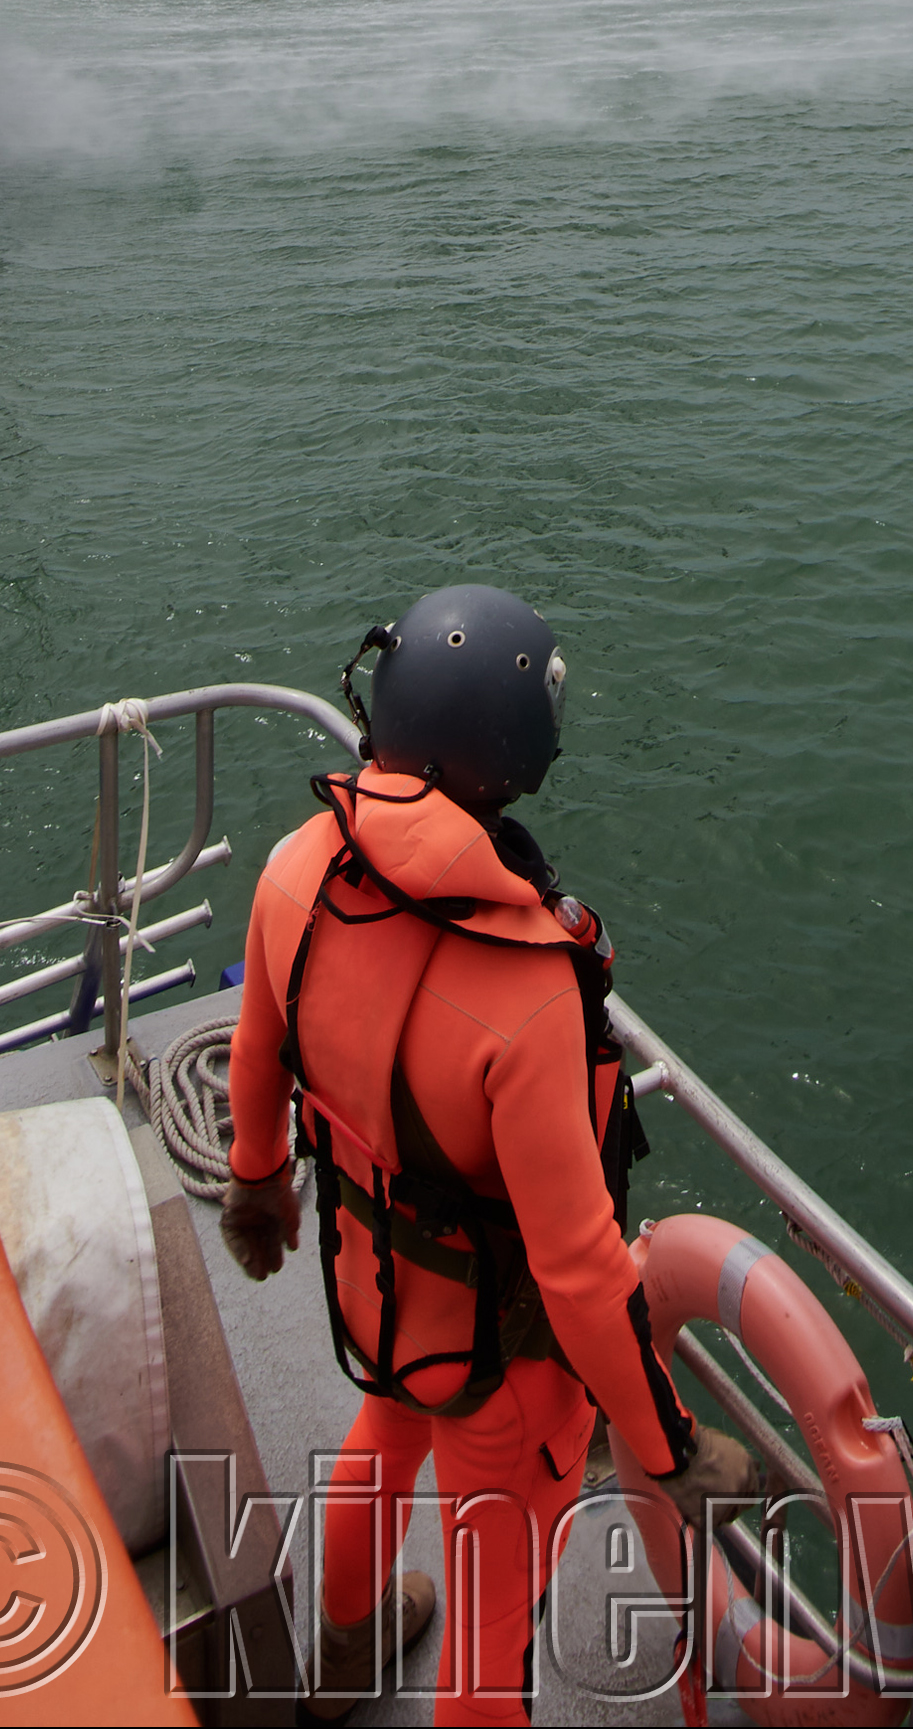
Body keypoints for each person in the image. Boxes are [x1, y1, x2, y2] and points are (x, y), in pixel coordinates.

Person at [220, 587, 754, 1724]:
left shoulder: (294, 868)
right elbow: (577, 1268)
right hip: (502, 1364)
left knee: (382, 1430)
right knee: (491, 1623)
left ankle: (351, 1636)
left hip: (374, 1291)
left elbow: (257, 1052)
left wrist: (258, 1182)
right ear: (513, 760)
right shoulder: (524, 990)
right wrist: (664, 1444)